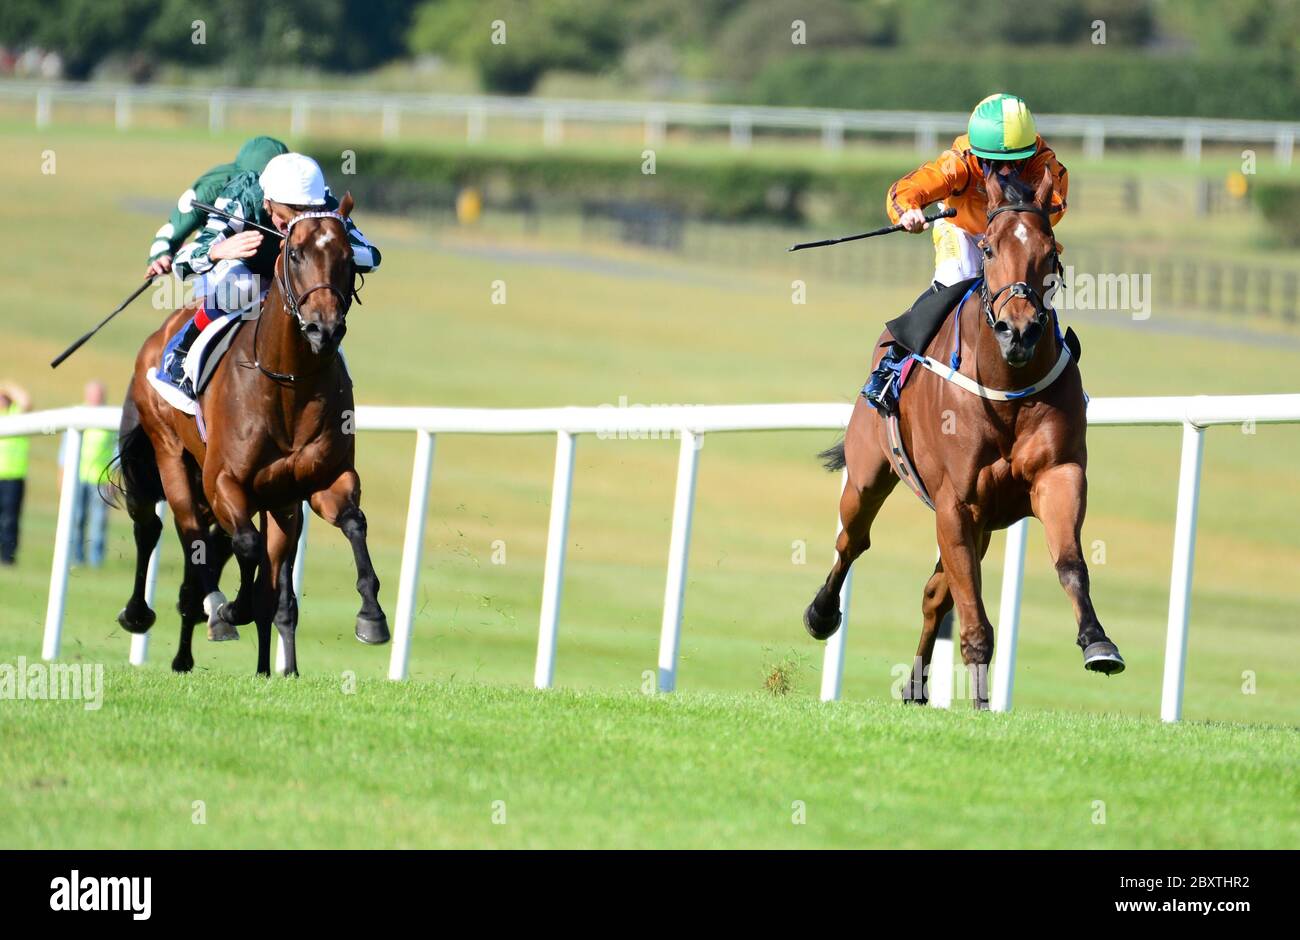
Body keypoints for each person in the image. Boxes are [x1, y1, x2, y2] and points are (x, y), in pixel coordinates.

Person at [862, 93, 1069, 415]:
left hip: (1015, 235)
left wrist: (1017, 222)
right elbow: (910, 188)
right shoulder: (958, 160)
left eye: (1014, 161)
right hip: (963, 230)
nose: (1003, 170)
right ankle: (893, 363)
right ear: (976, 151)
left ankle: (1063, 367)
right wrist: (909, 211)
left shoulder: (1043, 161)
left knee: (1035, 292)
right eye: (993, 162)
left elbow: (1055, 206)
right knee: (955, 280)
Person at [163, 152, 382, 398]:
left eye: (306, 212)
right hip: (246, 270)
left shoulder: (326, 206)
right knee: (242, 287)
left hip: (297, 278)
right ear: (268, 202)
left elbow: (373, 258)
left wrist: (334, 248)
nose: (295, 224)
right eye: (287, 214)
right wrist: (216, 251)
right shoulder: (243, 199)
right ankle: (184, 347)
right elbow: (181, 264)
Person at [144, 135, 289, 279]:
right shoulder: (215, 185)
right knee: (241, 286)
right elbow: (179, 223)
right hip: (219, 259)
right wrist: (161, 252)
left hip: (271, 264)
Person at [60, 381, 116, 568]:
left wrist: (113, 477)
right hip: (78, 476)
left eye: (99, 394)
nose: (95, 398)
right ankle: (76, 557)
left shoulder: (110, 417)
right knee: (76, 518)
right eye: (92, 394)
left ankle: (95, 561)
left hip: (101, 478)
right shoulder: (78, 414)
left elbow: (117, 450)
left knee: (98, 521)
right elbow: (66, 448)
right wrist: (63, 473)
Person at [0, 381, 32, 565]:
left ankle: (7, 557)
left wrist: (6, 386)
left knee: (11, 518)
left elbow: (25, 401)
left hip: (14, 476)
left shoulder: (16, 416)